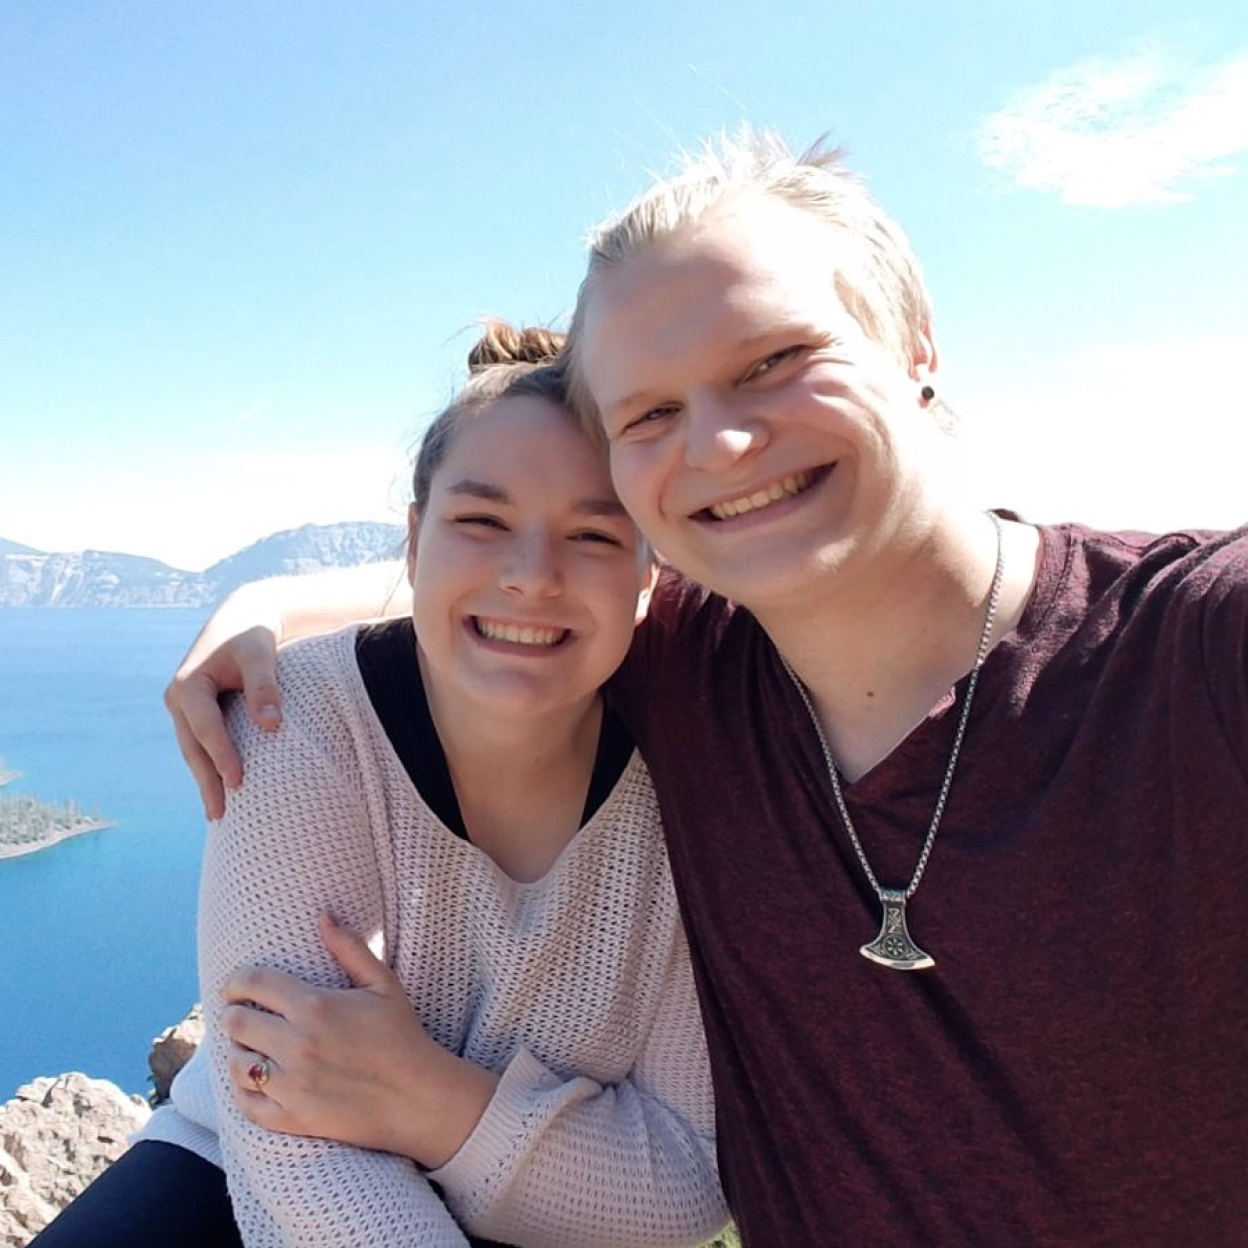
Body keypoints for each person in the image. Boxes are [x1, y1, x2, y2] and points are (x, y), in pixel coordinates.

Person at [167, 132, 1248, 1247]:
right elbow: (505, 584)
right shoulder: (691, 675)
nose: (723, 444)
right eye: (648, 415)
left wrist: (274, 598)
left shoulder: (1197, 646)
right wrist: (269, 603)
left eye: (774, 359)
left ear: (916, 341)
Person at [35, 327, 727, 1248]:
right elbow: (288, 1135)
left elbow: (688, 1179)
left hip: (558, 1225)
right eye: (481, 522)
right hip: (244, 1185)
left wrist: (431, 1105)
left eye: (595, 534)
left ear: (650, 577)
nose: (531, 577)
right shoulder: (298, 723)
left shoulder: (700, 777)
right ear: (412, 542)